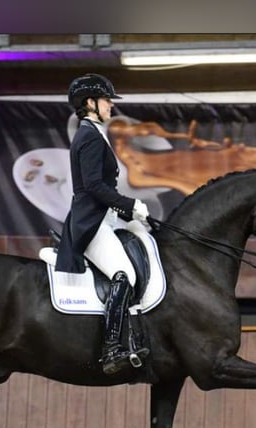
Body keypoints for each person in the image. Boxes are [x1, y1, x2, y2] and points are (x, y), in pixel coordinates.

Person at [55, 73, 150, 375]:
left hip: (101, 218)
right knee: (124, 275)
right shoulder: (89, 136)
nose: (111, 105)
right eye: (107, 100)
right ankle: (111, 348)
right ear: (90, 103)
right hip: (90, 223)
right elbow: (94, 186)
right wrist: (130, 204)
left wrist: (125, 213)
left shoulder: (94, 132)